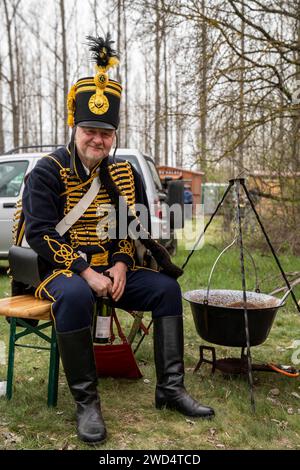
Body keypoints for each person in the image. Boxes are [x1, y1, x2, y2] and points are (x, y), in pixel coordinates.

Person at [19, 34, 214, 444]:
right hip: (61, 271)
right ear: (75, 127)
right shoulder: (46, 172)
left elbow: (131, 226)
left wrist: (123, 263)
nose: (98, 140)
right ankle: (87, 404)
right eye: (90, 130)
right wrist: (87, 272)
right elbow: (40, 234)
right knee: (76, 296)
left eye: (106, 133)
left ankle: (170, 390)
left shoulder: (122, 173)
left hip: (110, 267)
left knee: (165, 289)